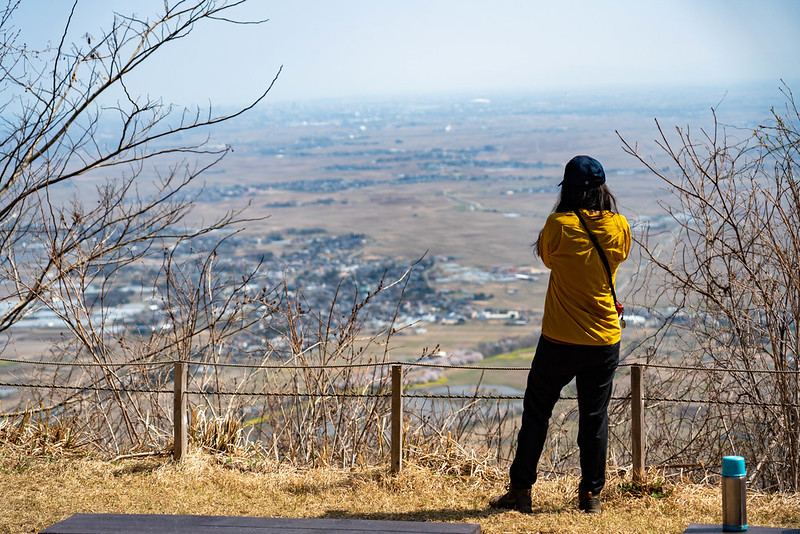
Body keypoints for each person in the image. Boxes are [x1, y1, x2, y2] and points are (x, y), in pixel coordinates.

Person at [489, 155, 631, 514]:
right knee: (594, 418)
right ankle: (591, 497)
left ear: (567, 189)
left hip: (559, 339)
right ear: (602, 189)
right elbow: (619, 257)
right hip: (603, 340)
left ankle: (520, 491)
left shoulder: (559, 225)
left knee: (536, 413)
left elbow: (549, 259)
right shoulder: (618, 226)